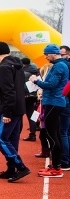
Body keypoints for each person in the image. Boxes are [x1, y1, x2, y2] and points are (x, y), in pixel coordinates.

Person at [0, 42, 30, 182]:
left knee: (0, 138)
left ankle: (21, 167)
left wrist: (7, 113)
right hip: (19, 108)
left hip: (9, 109)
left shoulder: (4, 68)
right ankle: (11, 169)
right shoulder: (17, 66)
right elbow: (16, 88)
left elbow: (9, 92)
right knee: (12, 139)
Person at [29, 44, 69, 178]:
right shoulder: (60, 65)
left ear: (53, 53)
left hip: (53, 102)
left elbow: (51, 85)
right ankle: (55, 165)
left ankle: (57, 168)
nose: (45, 57)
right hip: (54, 101)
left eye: (46, 54)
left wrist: (36, 81)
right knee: (54, 133)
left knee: (52, 134)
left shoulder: (59, 66)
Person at [21, 57, 41, 141]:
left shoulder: (23, 72)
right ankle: (33, 134)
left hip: (25, 96)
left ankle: (15, 133)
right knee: (32, 115)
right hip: (35, 96)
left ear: (23, 64)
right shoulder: (36, 71)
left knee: (19, 114)